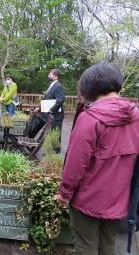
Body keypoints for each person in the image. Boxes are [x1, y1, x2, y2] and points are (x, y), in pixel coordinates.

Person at [58, 63, 139, 255]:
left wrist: (65, 192)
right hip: (119, 198)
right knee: (108, 246)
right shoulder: (135, 116)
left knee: (85, 247)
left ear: (89, 86)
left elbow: (76, 162)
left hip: (87, 199)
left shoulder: (90, 118)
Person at [43, 69, 65, 153]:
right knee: (50, 134)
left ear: (56, 76)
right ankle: (50, 153)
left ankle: (55, 155)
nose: (49, 76)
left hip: (56, 116)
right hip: (51, 115)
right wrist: (40, 107)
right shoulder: (51, 85)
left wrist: (51, 110)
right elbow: (47, 98)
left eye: (50, 75)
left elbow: (60, 100)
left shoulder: (58, 86)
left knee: (56, 136)